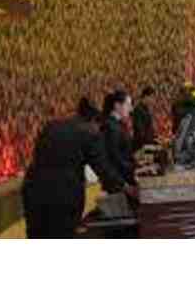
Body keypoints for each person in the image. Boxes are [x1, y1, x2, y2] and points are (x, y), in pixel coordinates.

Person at [22, 97, 134, 238]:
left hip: (32, 188)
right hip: (63, 195)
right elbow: (103, 169)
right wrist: (127, 188)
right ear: (94, 121)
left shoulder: (51, 125)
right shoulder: (91, 132)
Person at [101, 90, 137, 187]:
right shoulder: (111, 126)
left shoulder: (116, 125)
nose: (131, 109)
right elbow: (115, 158)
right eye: (128, 105)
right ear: (117, 106)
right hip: (118, 182)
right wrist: (135, 169)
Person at [132, 86, 156, 152]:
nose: (153, 100)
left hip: (147, 144)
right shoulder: (138, 110)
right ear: (145, 97)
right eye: (152, 97)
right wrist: (147, 143)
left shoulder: (146, 109)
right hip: (142, 146)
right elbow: (139, 130)